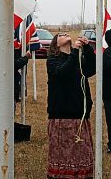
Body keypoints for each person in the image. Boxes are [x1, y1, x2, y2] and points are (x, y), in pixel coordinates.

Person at [46, 33, 96, 178]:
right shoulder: (52, 61)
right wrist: (74, 51)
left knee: (81, 153)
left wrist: (87, 48)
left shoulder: (77, 59)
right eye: (60, 35)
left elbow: (92, 69)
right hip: (62, 115)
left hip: (80, 114)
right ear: (56, 44)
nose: (65, 34)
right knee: (62, 156)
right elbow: (63, 72)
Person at [0, 47, 31, 142]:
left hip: (8, 89)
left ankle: (4, 133)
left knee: (7, 113)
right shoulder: (1, 53)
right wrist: (25, 58)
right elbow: (13, 64)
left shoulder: (6, 51)